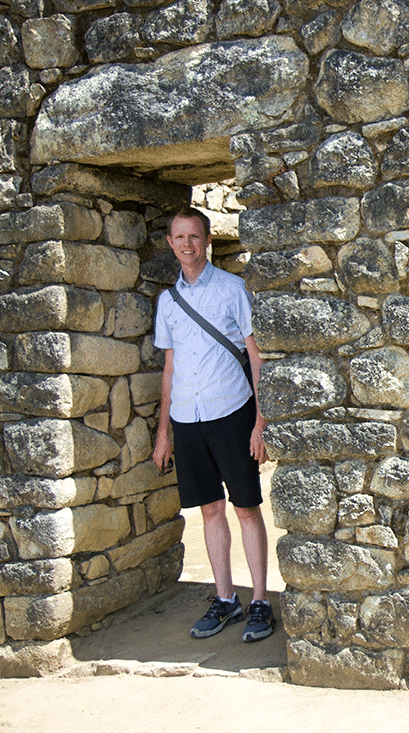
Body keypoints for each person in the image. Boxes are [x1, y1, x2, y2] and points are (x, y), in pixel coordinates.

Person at [152, 207, 275, 642]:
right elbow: (170, 366)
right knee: (209, 509)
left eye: (194, 237)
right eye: (179, 237)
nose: (187, 244)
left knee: (245, 507)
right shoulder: (166, 303)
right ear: (171, 243)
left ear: (207, 241)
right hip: (188, 419)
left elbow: (255, 357)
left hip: (232, 413)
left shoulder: (232, 289)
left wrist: (260, 422)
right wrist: (163, 432)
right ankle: (226, 599)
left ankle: (260, 599)